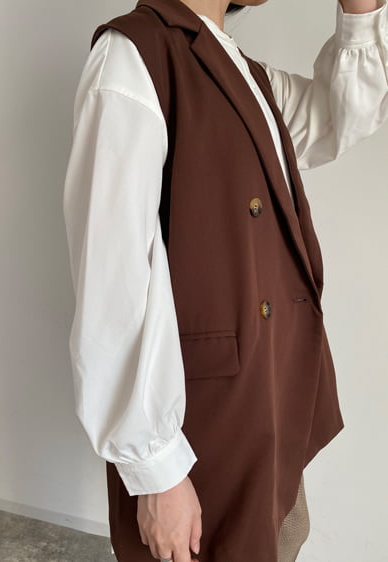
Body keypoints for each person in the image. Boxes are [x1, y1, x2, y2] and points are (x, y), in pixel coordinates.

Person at [62, 0, 388, 560]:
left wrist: (361, 11)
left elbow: (342, 116)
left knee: (282, 539)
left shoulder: (243, 71)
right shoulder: (133, 58)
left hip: (267, 406)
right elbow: (111, 285)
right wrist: (157, 470)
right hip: (200, 434)